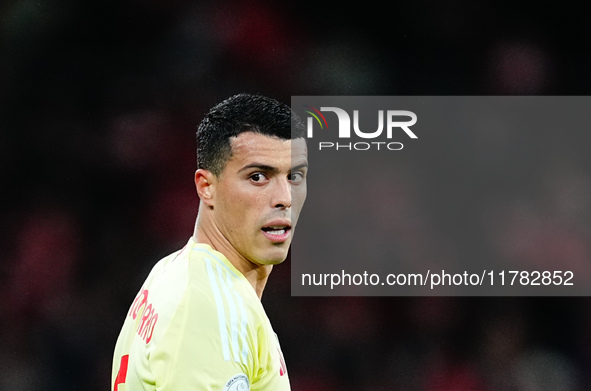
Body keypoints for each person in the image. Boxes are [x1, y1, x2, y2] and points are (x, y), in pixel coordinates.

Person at [111, 93, 308, 390]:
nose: (284, 198)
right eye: (258, 177)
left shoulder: (174, 272)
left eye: (294, 176)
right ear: (206, 187)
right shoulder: (209, 305)